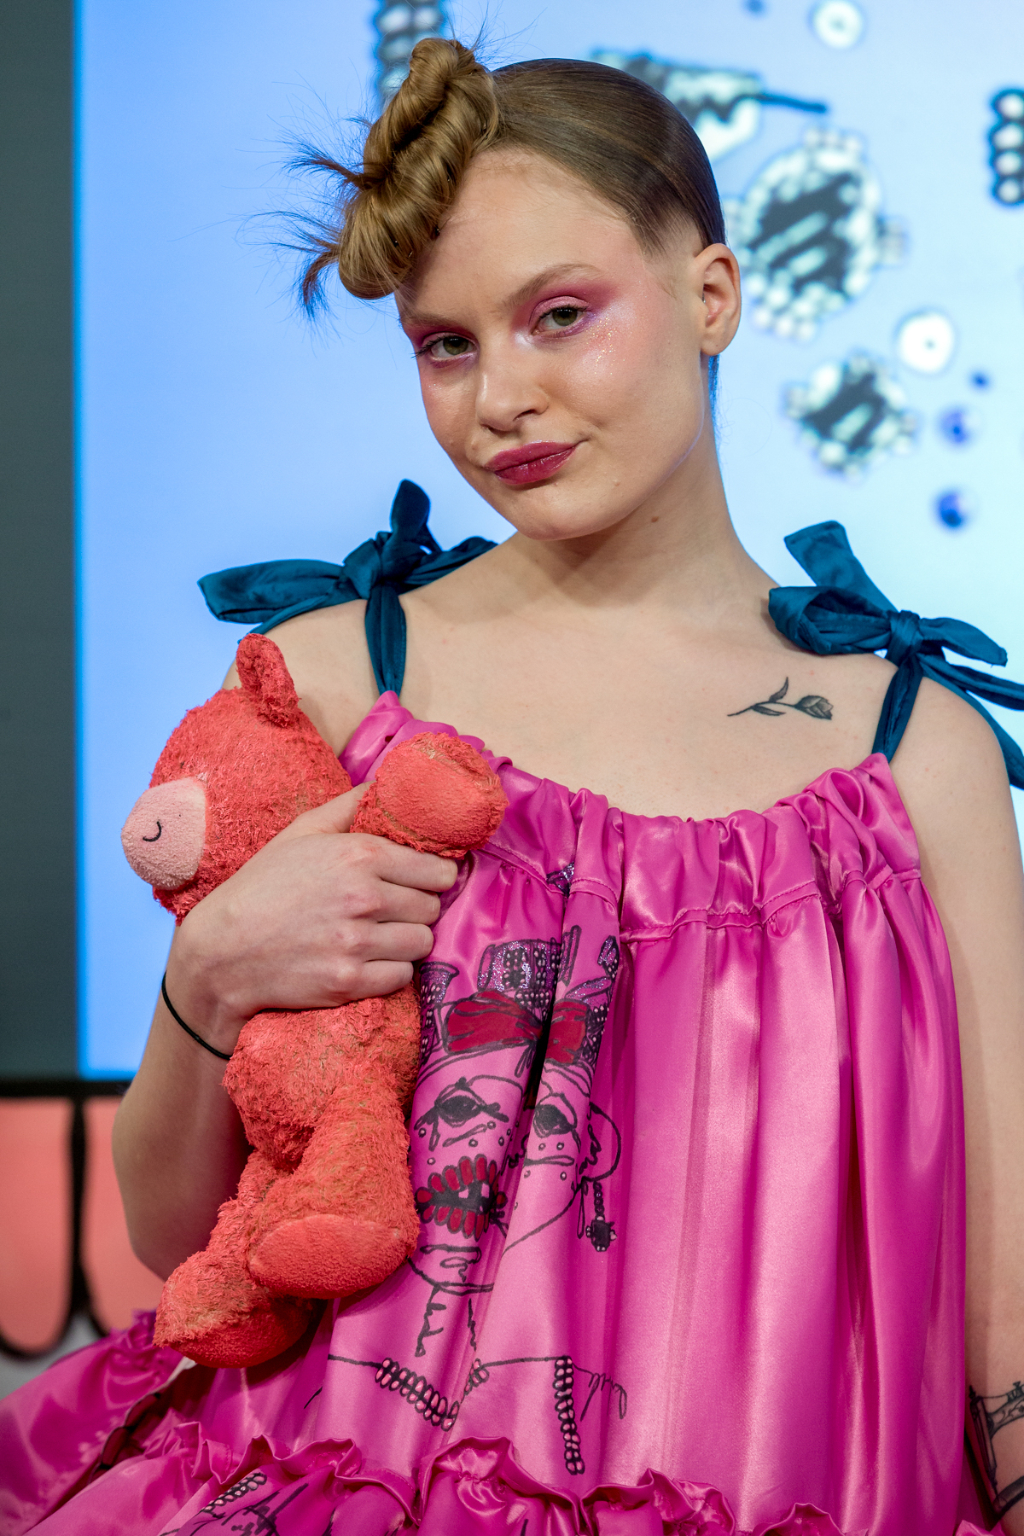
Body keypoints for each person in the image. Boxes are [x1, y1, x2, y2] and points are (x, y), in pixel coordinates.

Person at [3, 38, 1024, 1536]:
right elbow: (178, 1238)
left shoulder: (913, 751)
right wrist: (207, 973)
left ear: (713, 293)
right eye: (446, 345)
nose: (503, 399)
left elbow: (1004, 1292)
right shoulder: (337, 683)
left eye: (560, 316)